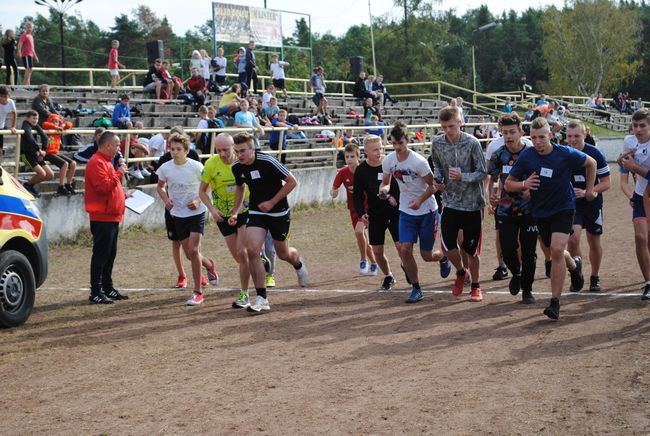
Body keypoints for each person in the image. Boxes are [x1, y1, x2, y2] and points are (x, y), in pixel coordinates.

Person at [505, 117, 596, 320]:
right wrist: (524, 184)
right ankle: (574, 266)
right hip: (540, 212)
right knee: (556, 252)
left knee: (555, 250)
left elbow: (591, 163)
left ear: (551, 135)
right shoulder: (527, 157)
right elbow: (508, 184)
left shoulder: (564, 153)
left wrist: (590, 190)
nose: (538, 141)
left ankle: (554, 303)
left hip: (564, 208)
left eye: (542, 137)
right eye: (534, 137)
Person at [231, 132, 310, 314]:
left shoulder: (268, 162)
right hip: (257, 211)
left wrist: (272, 202)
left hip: (279, 212)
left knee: (283, 253)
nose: (239, 155)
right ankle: (261, 297)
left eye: (243, 151)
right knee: (252, 250)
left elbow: (292, 182)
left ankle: (298, 263)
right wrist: (236, 210)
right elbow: (240, 186)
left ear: (253, 149)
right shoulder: (237, 167)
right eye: (237, 151)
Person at [381, 122, 451, 303]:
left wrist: (420, 200)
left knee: (426, 255)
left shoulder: (418, 162)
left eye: (400, 143)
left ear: (407, 141)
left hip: (427, 210)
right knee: (405, 250)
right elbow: (386, 182)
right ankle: (416, 288)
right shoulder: (389, 161)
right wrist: (384, 189)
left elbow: (434, 185)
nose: (397, 147)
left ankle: (443, 258)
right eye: (394, 143)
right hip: (406, 211)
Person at [430, 106, 487, 301]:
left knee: (471, 250)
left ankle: (476, 286)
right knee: (447, 246)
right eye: (444, 127)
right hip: (450, 201)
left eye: (451, 126)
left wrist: (463, 176)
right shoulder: (437, 143)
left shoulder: (472, 143)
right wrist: (438, 179)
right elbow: (436, 164)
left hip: (472, 204)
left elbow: (482, 172)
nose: (447, 130)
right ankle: (461, 272)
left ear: (460, 122)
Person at [156, 133, 219, 306]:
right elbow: (160, 187)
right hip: (178, 214)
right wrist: (166, 200)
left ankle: (197, 292)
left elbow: (209, 187)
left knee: (193, 250)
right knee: (191, 255)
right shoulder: (166, 168)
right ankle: (209, 265)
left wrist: (198, 200)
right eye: (172, 149)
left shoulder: (197, 167)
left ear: (186, 150)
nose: (174, 152)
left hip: (197, 212)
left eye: (178, 149)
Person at [487, 113, 537, 304]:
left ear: (521, 132)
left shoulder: (531, 152)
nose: (508, 136)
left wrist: (531, 193)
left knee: (529, 251)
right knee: (507, 249)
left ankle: (527, 289)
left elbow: (539, 177)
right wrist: (491, 195)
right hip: (506, 209)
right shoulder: (498, 154)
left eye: (512, 132)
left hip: (529, 210)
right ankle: (516, 273)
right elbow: (492, 179)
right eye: (505, 132)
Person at [199, 133, 252, 308]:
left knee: (242, 252)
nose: (222, 154)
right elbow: (202, 192)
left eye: (226, 150)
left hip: (244, 211)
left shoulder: (242, 163)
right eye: (218, 150)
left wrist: (246, 204)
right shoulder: (211, 164)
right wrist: (212, 210)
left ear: (233, 148)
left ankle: (245, 293)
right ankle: (256, 260)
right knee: (238, 256)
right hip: (222, 215)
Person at [84, 131, 130, 304]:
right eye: (117, 145)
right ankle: (96, 291)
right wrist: (118, 173)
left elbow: (110, 188)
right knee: (101, 255)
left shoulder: (106, 162)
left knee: (110, 254)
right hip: (102, 217)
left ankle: (107, 287)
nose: (119, 148)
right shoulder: (97, 162)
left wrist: (124, 196)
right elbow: (103, 187)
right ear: (108, 145)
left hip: (111, 216)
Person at [565, 119, 610, 293]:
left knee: (594, 241)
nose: (572, 140)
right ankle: (577, 272)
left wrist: (588, 192)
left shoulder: (595, 154)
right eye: (569, 136)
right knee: (573, 239)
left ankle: (595, 276)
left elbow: (607, 182)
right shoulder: (563, 153)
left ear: (585, 134)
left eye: (576, 136)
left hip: (592, 204)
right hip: (572, 205)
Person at [353, 134, 402, 291]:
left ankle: (408, 267)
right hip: (375, 214)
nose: (379, 151)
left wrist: (394, 197)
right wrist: (362, 213)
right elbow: (358, 195)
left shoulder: (391, 163)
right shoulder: (361, 170)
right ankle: (389, 276)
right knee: (377, 251)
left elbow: (401, 185)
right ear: (366, 151)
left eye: (381, 148)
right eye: (375, 149)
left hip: (396, 211)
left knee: (402, 247)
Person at [331, 142, 378, 276]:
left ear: (358, 157)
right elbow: (334, 188)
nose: (349, 159)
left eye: (352, 156)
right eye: (347, 157)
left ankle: (363, 260)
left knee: (359, 232)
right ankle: (374, 263)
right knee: (362, 237)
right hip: (353, 209)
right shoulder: (343, 172)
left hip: (367, 207)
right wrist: (333, 192)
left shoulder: (364, 170)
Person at [617, 109, 650, 300]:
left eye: (642, 125)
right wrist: (623, 159)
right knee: (640, 237)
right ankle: (648, 282)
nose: (638, 129)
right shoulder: (629, 140)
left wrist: (633, 167)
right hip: (640, 196)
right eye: (635, 125)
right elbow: (623, 163)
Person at [20, 110, 53, 197]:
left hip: (36, 154)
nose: (35, 120)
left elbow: (45, 137)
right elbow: (30, 138)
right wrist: (39, 149)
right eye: (33, 118)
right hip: (26, 154)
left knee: (50, 175)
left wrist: (43, 150)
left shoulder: (35, 125)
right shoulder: (26, 125)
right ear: (27, 118)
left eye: (37, 118)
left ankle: (30, 185)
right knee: (42, 174)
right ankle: (26, 186)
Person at [42, 113, 76, 196]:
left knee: (73, 164)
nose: (55, 122)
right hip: (48, 152)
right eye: (53, 121)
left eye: (57, 121)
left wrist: (63, 124)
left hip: (56, 152)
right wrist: (56, 127)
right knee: (65, 164)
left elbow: (70, 124)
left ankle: (68, 184)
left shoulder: (59, 127)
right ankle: (61, 186)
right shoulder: (49, 128)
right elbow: (45, 124)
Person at [17, 22, 38, 86]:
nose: (29, 29)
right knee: (28, 69)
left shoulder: (31, 36)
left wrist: (35, 56)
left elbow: (32, 48)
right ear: (25, 28)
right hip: (26, 54)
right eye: (28, 27)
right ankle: (24, 86)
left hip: (30, 55)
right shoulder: (24, 35)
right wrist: (19, 52)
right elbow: (20, 44)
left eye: (30, 27)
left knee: (30, 70)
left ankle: (28, 86)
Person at [0, 86, 17, 158]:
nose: (3, 98)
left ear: (8, 96)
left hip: (1, 126)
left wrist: (13, 126)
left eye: (5, 96)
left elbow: (14, 114)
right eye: (1, 96)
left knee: (0, 148)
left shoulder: (11, 102)